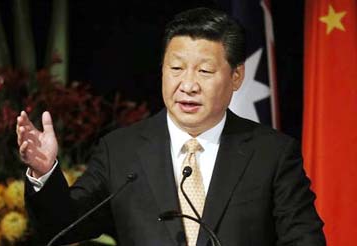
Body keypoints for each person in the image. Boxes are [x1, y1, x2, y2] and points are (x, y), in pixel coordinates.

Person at [17, 7, 326, 246]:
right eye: (176, 68)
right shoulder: (121, 151)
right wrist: (45, 173)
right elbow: (60, 226)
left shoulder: (272, 153)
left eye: (205, 70)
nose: (188, 84)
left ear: (236, 77)